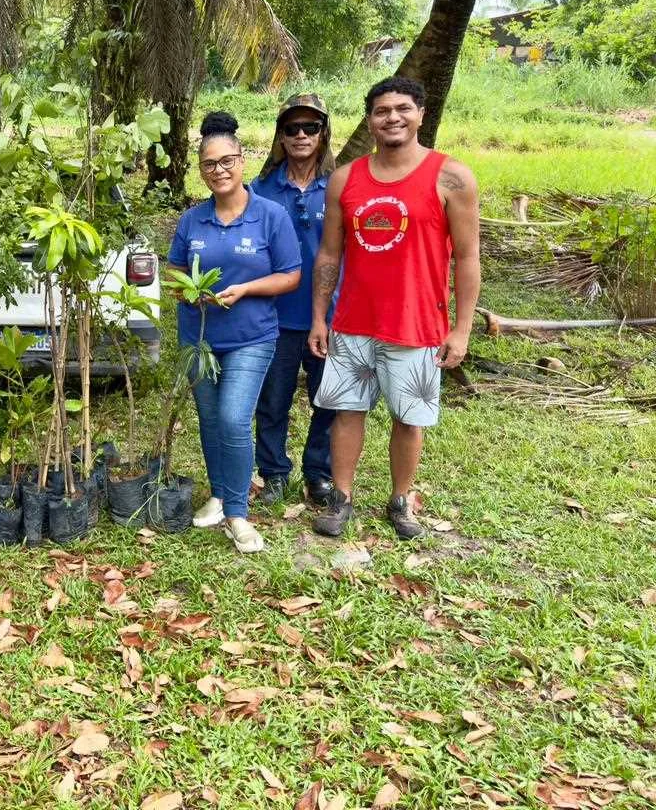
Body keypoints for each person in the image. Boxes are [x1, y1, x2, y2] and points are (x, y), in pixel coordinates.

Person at [308, 76, 481, 539]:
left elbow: (468, 257)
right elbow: (329, 254)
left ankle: (401, 501)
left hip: (417, 323)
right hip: (353, 322)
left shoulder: (451, 177)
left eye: (403, 108)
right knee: (347, 412)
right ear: (370, 120)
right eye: (382, 111)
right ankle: (341, 497)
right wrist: (320, 317)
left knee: (408, 418)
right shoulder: (346, 179)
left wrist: (462, 329)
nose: (393, 118)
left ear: (421, 114)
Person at [173, 112, 302, 553]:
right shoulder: (192, 220)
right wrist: (190, 292)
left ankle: (237, 513)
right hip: (199, 337)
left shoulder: (270, 216)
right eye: (209, 164)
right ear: (201, 170)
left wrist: (245, 289)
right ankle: (218, 493)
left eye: (227, 161)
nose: (219, 170)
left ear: (242, 161)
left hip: (251, 336)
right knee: (210, 419)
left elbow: (291, 275)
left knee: (233, 418)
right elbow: (174, 271)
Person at [249, 94, 338, 508]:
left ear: (323, 134)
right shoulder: (260, 190)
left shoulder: (340, 187)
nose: (301, 135)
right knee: (272, 401)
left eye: (310, 127)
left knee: (328, 401)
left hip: (330, 316)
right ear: (280, 137)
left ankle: (318, 474)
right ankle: (273, 473)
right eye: (292, 128)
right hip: (276, 317)